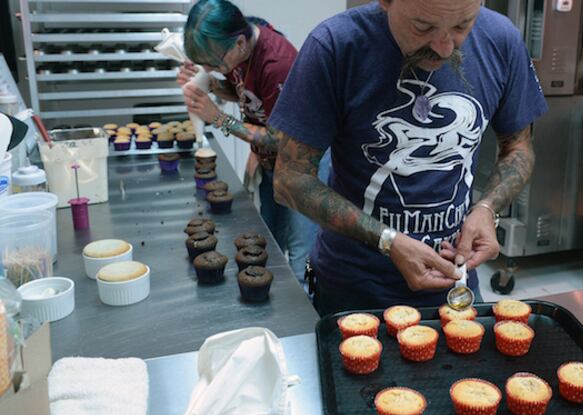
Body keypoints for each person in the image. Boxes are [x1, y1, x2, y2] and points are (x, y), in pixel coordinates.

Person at [269, 0, 547, 316]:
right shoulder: (335, 46)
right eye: (423, 27)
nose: (444, 49)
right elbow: (290, 178)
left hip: (454, 286)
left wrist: (486, 208)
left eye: (462, 26)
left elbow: (519, 148)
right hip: (353, 291)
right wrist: (388, 241)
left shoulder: (501, 40)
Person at [179, 0, 318, 289]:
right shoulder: (239, 47)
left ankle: (301, 318)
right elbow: (245, 93)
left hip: (302, 168)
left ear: (240, 43)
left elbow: (284, 141)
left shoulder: (277, 63)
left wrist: (218, 119)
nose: (212, 68)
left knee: (298, 254)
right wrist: (211, 85)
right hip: (270, 164)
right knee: (267, 243)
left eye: (215, 63)